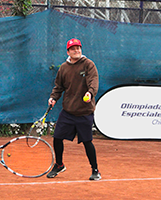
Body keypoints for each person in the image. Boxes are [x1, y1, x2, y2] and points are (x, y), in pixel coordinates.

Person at [47, 38, 101, 181]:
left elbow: (93, 81)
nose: (76, 50)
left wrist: (90, 93)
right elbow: (58, 87)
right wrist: (53, 98)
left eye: (78, 48)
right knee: (57, 137)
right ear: (68, 52)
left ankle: (95, 170)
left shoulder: (89, 65)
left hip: (84, 111)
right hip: (68, 111)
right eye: (73, 49)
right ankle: (59, 165)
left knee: (87, 141)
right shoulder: (64, 68)